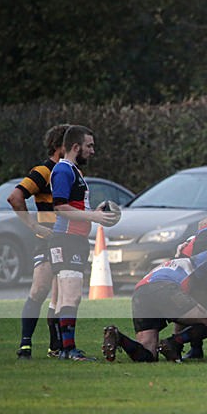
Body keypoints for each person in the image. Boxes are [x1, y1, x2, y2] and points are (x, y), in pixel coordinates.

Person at [49, 125, 118, 360]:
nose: (92, 151)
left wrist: (94, 212)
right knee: (71, 295)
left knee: (64, 297)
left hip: (72, 239)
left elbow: (74, 207)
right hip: (67, 239)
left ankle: (62, 348)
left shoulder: (73, 171)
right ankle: (69, 350)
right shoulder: (64, 170)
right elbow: (60, 207)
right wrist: (94, 217)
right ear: (76, 147)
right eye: (89, 146)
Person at [7, 123, 70, 360]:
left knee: (60, 294)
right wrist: (33, 226)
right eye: (70, 143)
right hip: (47, 240)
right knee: (40, 289)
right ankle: (25, 345)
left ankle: (56, 347)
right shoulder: (44, 171)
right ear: (58, 146)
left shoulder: (71, 172)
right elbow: (15, 197)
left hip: (67, 240)